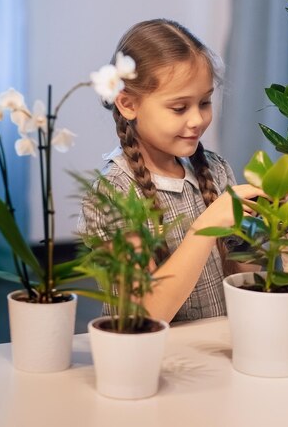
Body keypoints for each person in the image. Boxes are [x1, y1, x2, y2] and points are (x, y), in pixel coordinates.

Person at [79, 19, 261, 323]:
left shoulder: (216, 170)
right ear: (127, 104)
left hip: (214, 351)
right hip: (151, 363)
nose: (196, 120)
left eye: (204, 102)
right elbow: (143, 315)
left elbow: (242, 280)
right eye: (179, 108)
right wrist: (206, 227)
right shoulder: (112, 194)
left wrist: (254, 231)